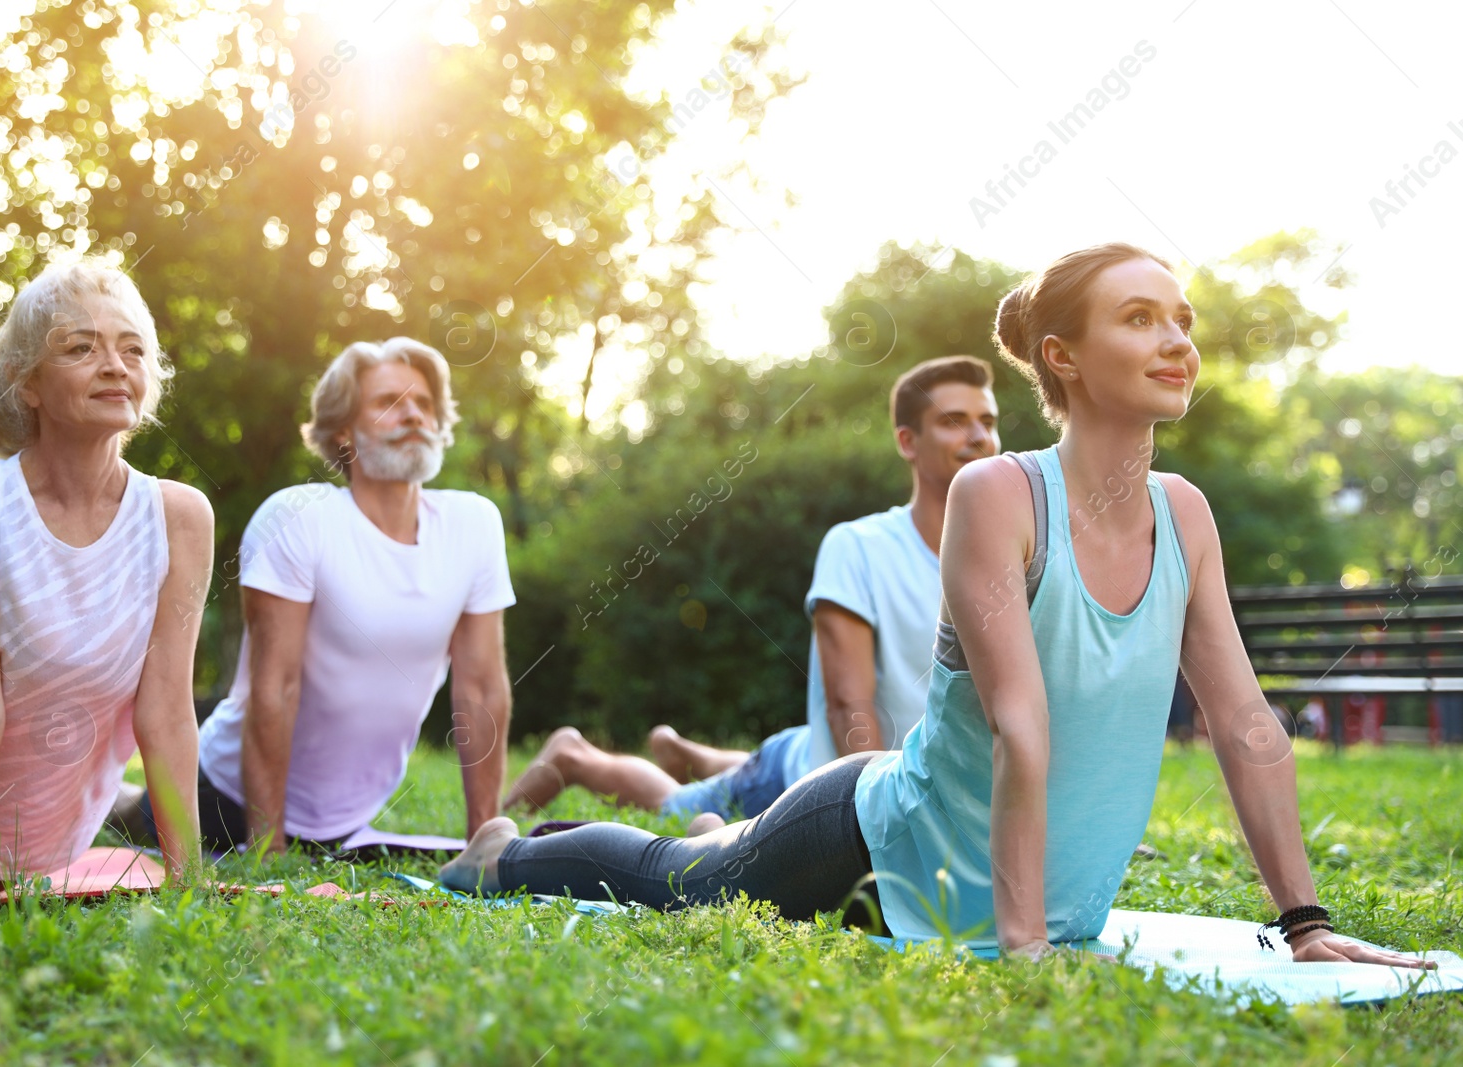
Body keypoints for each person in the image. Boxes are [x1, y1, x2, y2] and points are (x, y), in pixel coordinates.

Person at [440, 242, 1435, 969]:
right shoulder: (999, 493)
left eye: (1180, 318)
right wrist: (1021, 943)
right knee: (681, 879)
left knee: (704, 856)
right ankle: (500, 854)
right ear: (1062, 356)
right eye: (1139, 318)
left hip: (1021, 885)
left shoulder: (1184, 513)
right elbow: (1016, 717)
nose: (1175, 339)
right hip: (872, 834)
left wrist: (1303, 920)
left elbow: (1243, 718)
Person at [501, 357, 1000, 827]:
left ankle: (692, 755)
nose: (979, 437)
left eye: (988, 421)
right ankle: (575, 756)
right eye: (954, 420)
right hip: (814, 774)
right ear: (907, 441)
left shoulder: (1008, 561)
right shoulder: (859, 546)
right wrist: (884, 821)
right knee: (673, 805)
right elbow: (848, 703)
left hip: (824, 747)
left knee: (763, 757)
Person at [0, 261, 212, 906]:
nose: (114, 364)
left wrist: (188, 879)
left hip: (37, 830)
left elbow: (164, 709)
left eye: (131, 348)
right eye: (81, 347)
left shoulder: (180, 517)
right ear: (27, 385)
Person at [116, 337, 514, 853]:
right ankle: (108, 797)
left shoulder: (474, 523)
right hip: (223, 796)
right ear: (344, 433)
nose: (412, 414)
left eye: (424, 403)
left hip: (347, 822)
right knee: (124, 815)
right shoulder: (300, 517)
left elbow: (482, 689)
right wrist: (269, 847)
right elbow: (274, 686)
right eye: (388, 402)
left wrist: (484, 843)